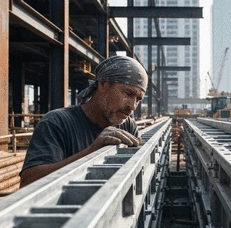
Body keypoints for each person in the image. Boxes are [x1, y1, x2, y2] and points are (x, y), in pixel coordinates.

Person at [20, 55, 148, 187]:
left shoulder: (127, 125)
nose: (132, 106)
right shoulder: (56, 123)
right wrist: (91, 152)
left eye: (138, 99)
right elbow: (28, 183)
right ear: (103, 84)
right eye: (127, 93)